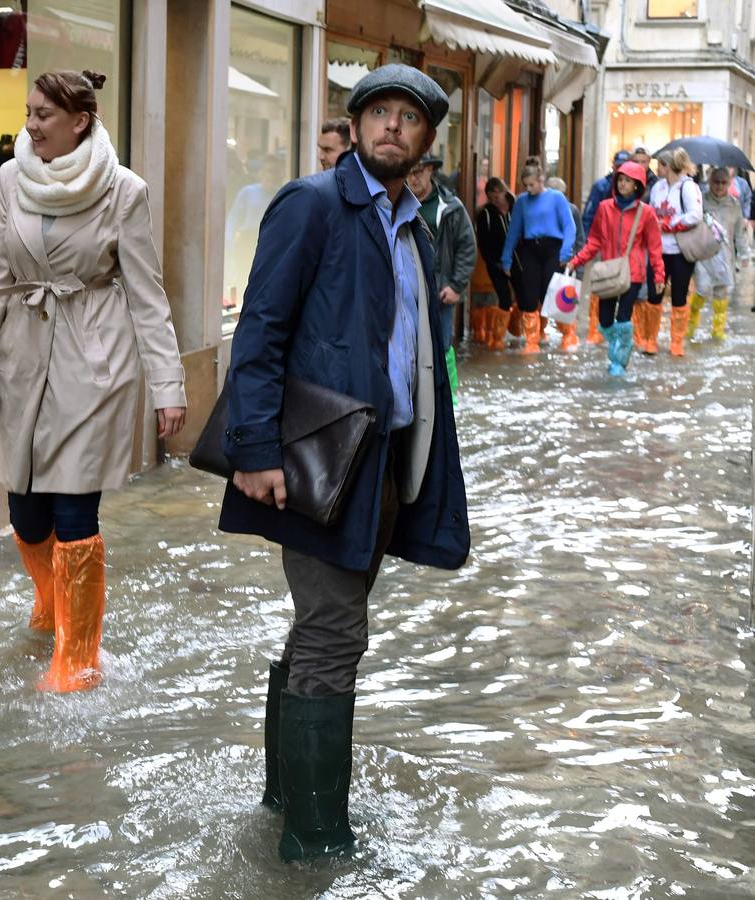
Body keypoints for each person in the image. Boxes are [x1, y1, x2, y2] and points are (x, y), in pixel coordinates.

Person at [218, 64, 469, 861]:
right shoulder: (314, 204)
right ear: (356, 127)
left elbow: (419, 354)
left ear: (428, 140)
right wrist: (255, 452)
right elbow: (259, 331)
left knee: (319, 630)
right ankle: (316, 842)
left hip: (386, 462)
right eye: (379, 113)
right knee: (335, 632)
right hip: (316, 458)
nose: (393, 126)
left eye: (410, 117)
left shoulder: (418, 227)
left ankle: (283, 795)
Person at [0, 69, 187, 693]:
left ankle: (77, 657)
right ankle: (54, 602)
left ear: (80, 120)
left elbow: (147, 296)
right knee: (25, 511)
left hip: (95, 362)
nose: (29, 125)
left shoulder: (123, 191)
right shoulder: (10, 177)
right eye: (29, 112)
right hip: (21, 359)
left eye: (42, 115)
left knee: (75, 506)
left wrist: (169, 386)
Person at [566, 161, 663, 377]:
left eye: (627, 181)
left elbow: (654, 247)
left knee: (624, 318)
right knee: (605, 319)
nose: (622, 184)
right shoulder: (604, 208)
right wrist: (576, 261)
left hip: (633, 273)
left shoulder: (646, 213)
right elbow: (594, 241)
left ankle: (619, 360)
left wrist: (658, 274)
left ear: (637, 185)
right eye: (620, 179)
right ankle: (618, 349)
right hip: (608, 273)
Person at [407, 155, 474, 397]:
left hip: (440, 290)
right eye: (409, 172)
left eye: (419, 171)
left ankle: (448, 397)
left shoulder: (451, 207)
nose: (413, 177)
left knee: (442, 344)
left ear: (430, 171)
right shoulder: (396, 202)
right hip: (407, 289)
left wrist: (456, 285)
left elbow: (467, 248)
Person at [500, 157, 578, 352]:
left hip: (553, 248)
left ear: (541, 179)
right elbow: (514, 231)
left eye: (532, 185)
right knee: (528, 295)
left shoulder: (556, 198)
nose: (529, 189)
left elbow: (569, 226)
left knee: (554, 292)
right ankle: (532, 340)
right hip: (529, 249)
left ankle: (569, 334)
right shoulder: (521, 202)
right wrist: (506, 258)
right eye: (526, 185)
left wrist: (566, 252)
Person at [647, 147, 703, 357]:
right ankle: (650, 339)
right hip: (657, 250)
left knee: (679, 295)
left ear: (667, 166)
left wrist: (670, 224)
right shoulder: (657, 187)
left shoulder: (688, 187)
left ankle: (676, 342)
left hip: (681, 250)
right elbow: (651, 211)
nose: (656, 169)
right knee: (654, 294)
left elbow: (695, 215)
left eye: (659, 165)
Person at [689, 165, 748, 343]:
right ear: (710, 182)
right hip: (704, 256)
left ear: (729, 183)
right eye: (716, 182)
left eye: (724, 183)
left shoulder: (734, 205)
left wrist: (744, 254)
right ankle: (690, 326)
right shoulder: (701, 201)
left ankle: (717, 330)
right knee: (701, 290)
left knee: (722, 293)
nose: (720, 186)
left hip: (725, 255)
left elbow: (739, 232)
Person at [581, 151, 633, 345]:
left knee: (623, 285)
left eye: (624, 165)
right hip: (602, 245)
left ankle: (621, 331)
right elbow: (589, 214)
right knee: (600, 284)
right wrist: (587, 244)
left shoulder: (634, 191)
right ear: (613, 166)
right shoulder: (601, 186)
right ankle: (596, 328)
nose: (620, 169)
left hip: (624, 248)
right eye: (618, 165)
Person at [226, 157, 285, 304]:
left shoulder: (280, 195)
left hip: (271, 243)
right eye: (267, 171)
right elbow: (233, 219)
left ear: (280, 174)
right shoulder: (248, 192)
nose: (270, 176)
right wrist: (230, 244)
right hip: (248, 241)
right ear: (261, 173)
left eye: (274, 172)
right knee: (243, 279)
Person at [475, 177, 519, 350]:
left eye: (497, 197)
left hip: (518, 261)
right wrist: (494, 262)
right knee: (504, 298)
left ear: (504, 192)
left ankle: (517, 331)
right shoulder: (485, 214)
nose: (494, 202)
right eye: (490, 198)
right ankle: (498, 338)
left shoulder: (516, 207)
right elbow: (483, 242)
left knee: (522, 297)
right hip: (495, 263)